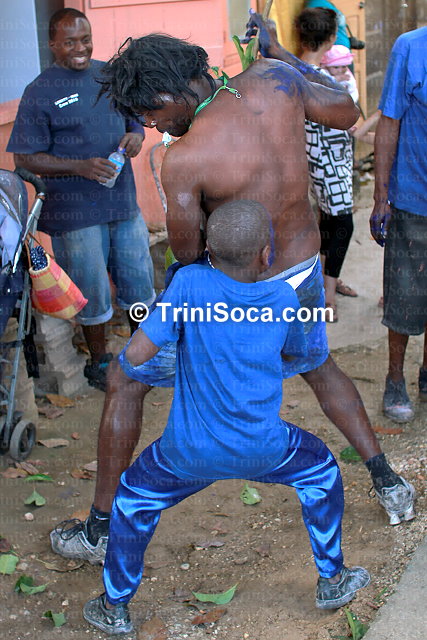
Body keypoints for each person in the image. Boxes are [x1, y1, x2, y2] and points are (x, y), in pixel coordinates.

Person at [49, 29, 414, 563]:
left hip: (237, 293)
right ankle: (387, 481)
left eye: (151, 114)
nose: (153, 127)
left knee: (126, 380)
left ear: (172, 92)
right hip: (302, 274)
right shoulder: (275, 78)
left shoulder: (186, 156)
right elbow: (347, 112)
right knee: (318, 366)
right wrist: (286, 59)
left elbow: (187, 251)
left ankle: (100, 530)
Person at [82, 201, 370, 635]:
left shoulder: (189, 284)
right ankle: (333, 579)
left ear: (208, 252)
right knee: (323, 471)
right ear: (266, 255)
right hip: (265, 448)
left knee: (132, 500)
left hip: (185, 453)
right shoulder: (283, 297)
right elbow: (295, 353)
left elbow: (137, 355)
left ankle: (114, 607)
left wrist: (149, 352)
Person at [6, 8, 156, 392]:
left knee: (138, 281)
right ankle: (100, 361)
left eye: (85, 39)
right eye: (69, 41)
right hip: (74, 213)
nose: (80, 48)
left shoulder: (109, 75)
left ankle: (144, 354)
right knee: (92, 291)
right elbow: (25, 159)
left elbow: (133, 118)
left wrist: (136, 135)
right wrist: (80, 167)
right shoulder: (40, 91)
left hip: (122, 203)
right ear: (52, 45)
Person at [369, 26, 427, 423]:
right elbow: (388, 122)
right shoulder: (410, 47)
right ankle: (395, 378)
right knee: (404, 295)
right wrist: (380, 196)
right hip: (412, 199)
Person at [293, 8, 358, 319]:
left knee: (330, 220)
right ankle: (327, 294)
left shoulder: (294, 69)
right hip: (326, 159)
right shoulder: (320, 76)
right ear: (331, 38)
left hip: (322, 157)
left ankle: (324, 279)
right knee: (343, 222)